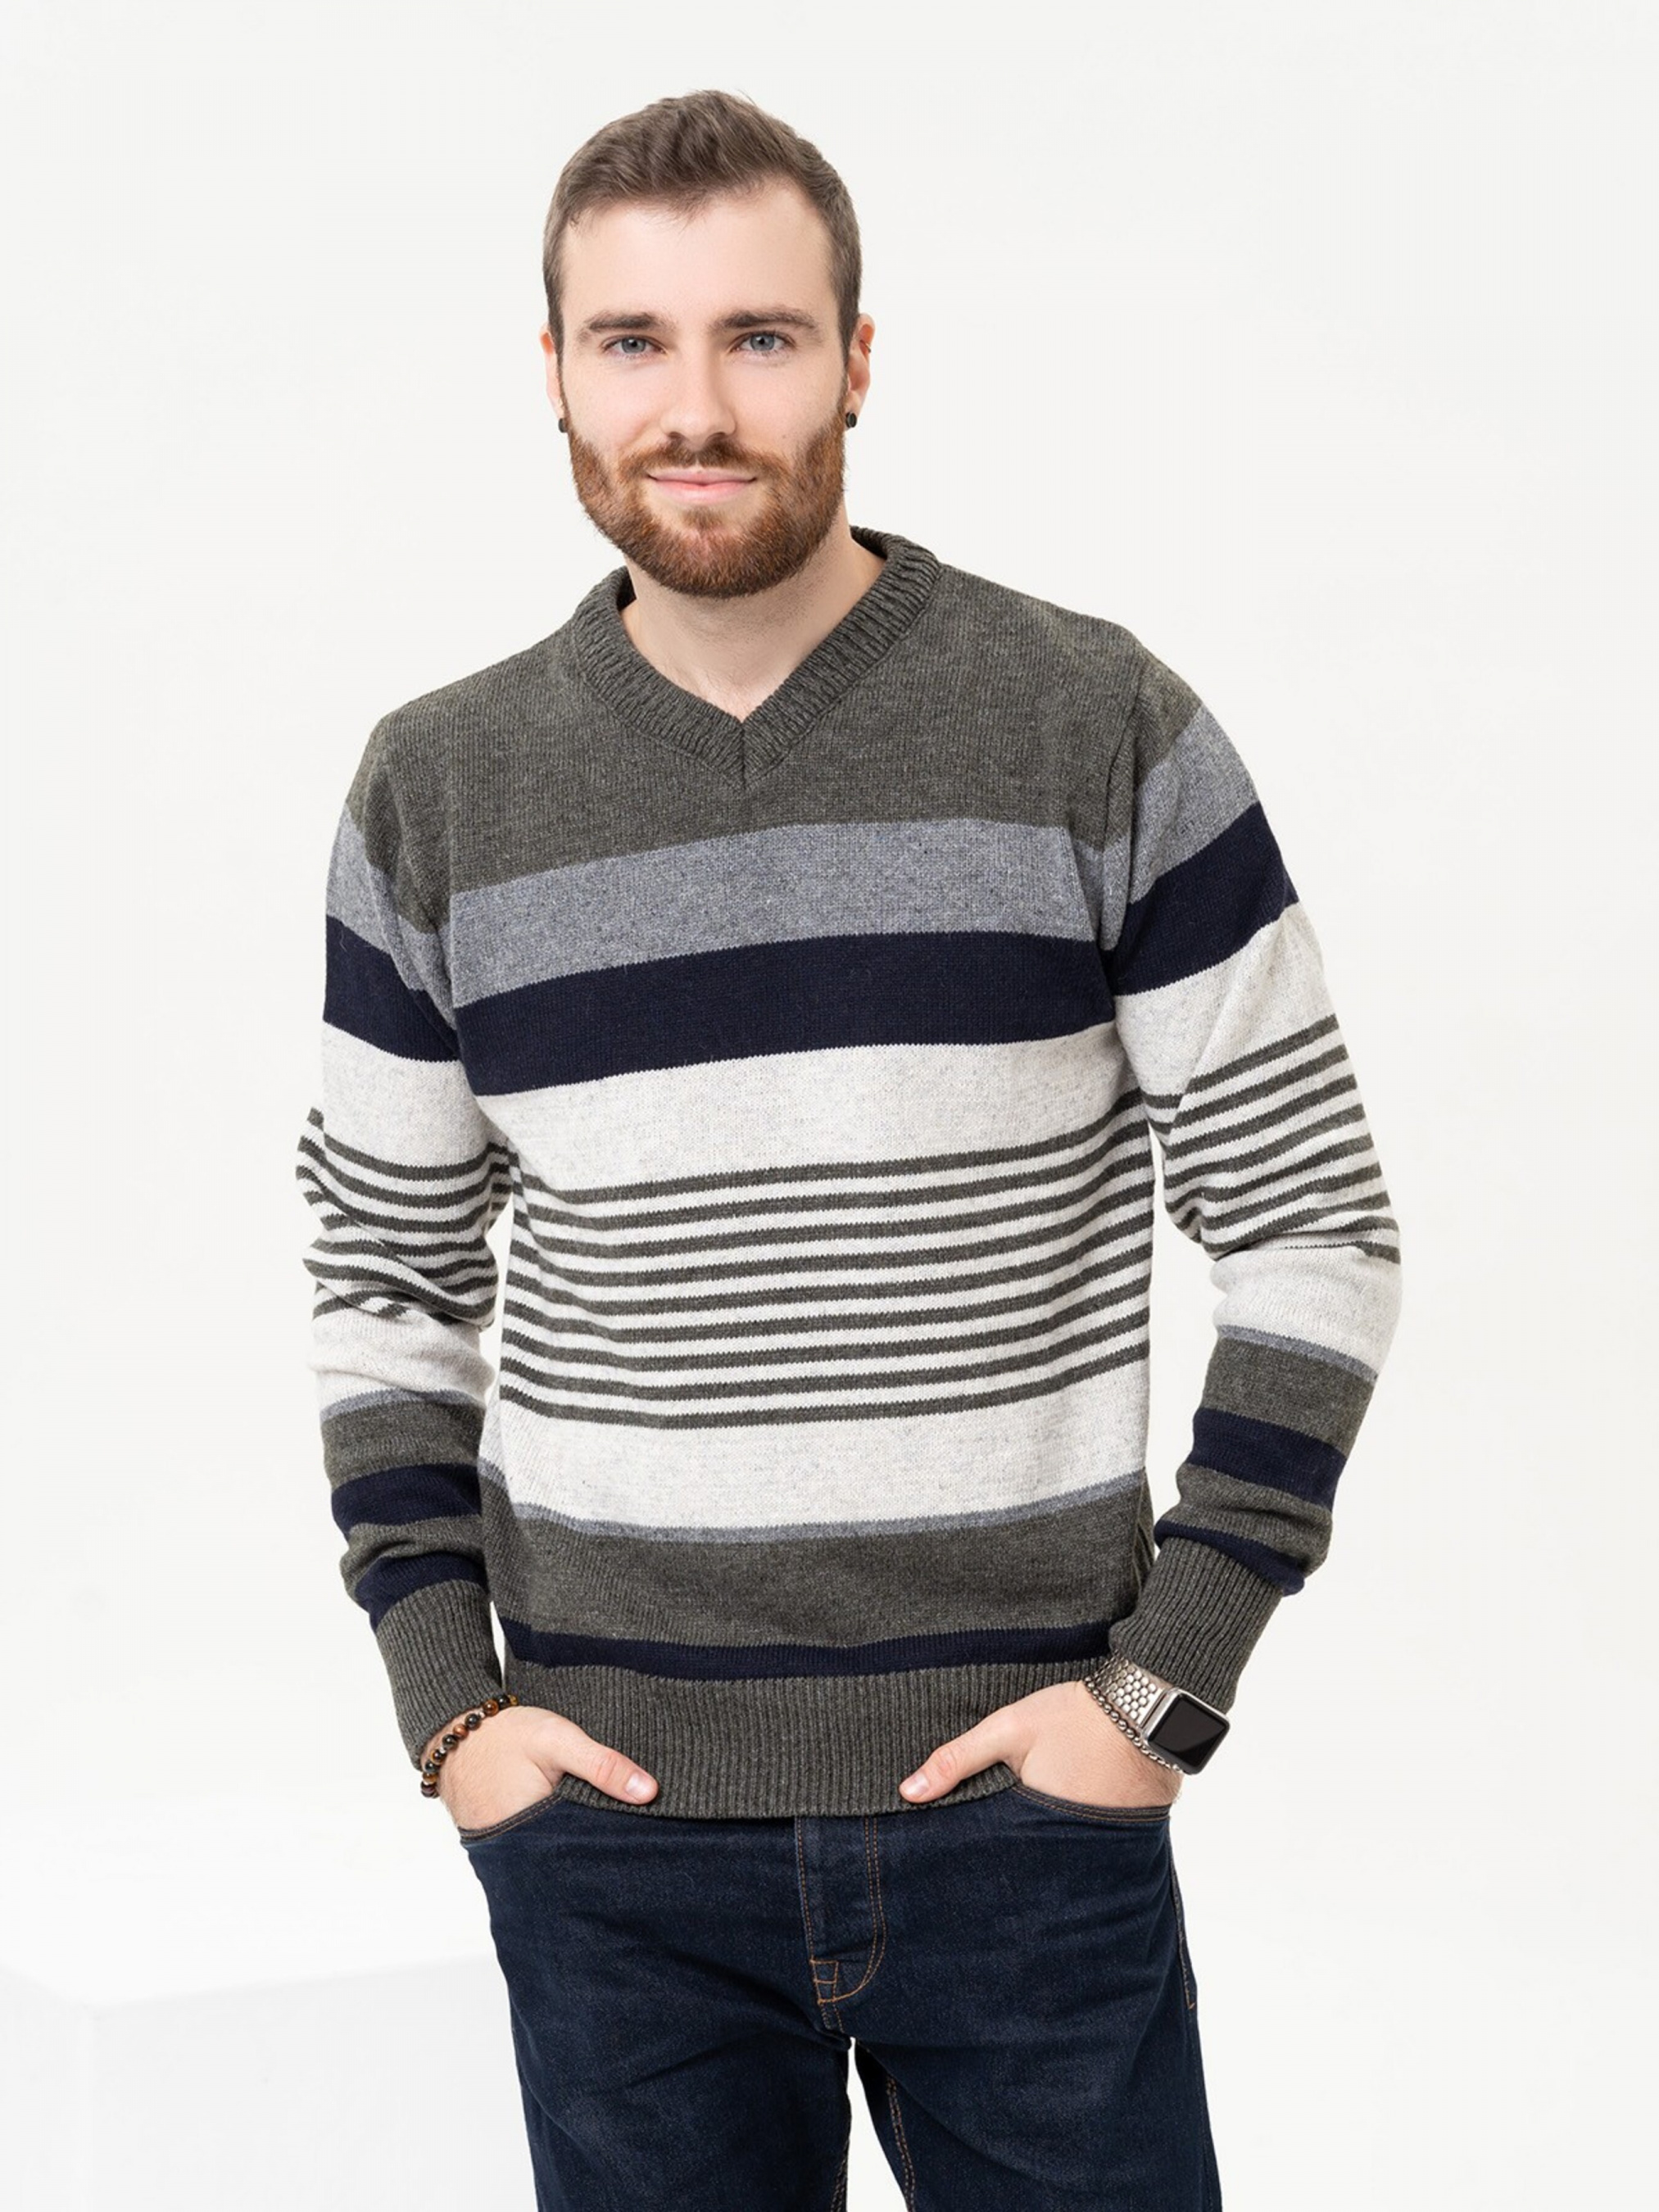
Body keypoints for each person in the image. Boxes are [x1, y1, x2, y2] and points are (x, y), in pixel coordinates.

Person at [294, 86, 1402, 2212]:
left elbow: (1312, 1228)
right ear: (553, 372)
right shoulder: (435, 789)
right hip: (612, 1841)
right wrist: (454, 1712)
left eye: (761, 336)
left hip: (1026, 1818)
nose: (696, 406)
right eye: (633, 340)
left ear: (859, 359)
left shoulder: (1095, 725)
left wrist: (1159, 1688)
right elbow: (386, 1280)